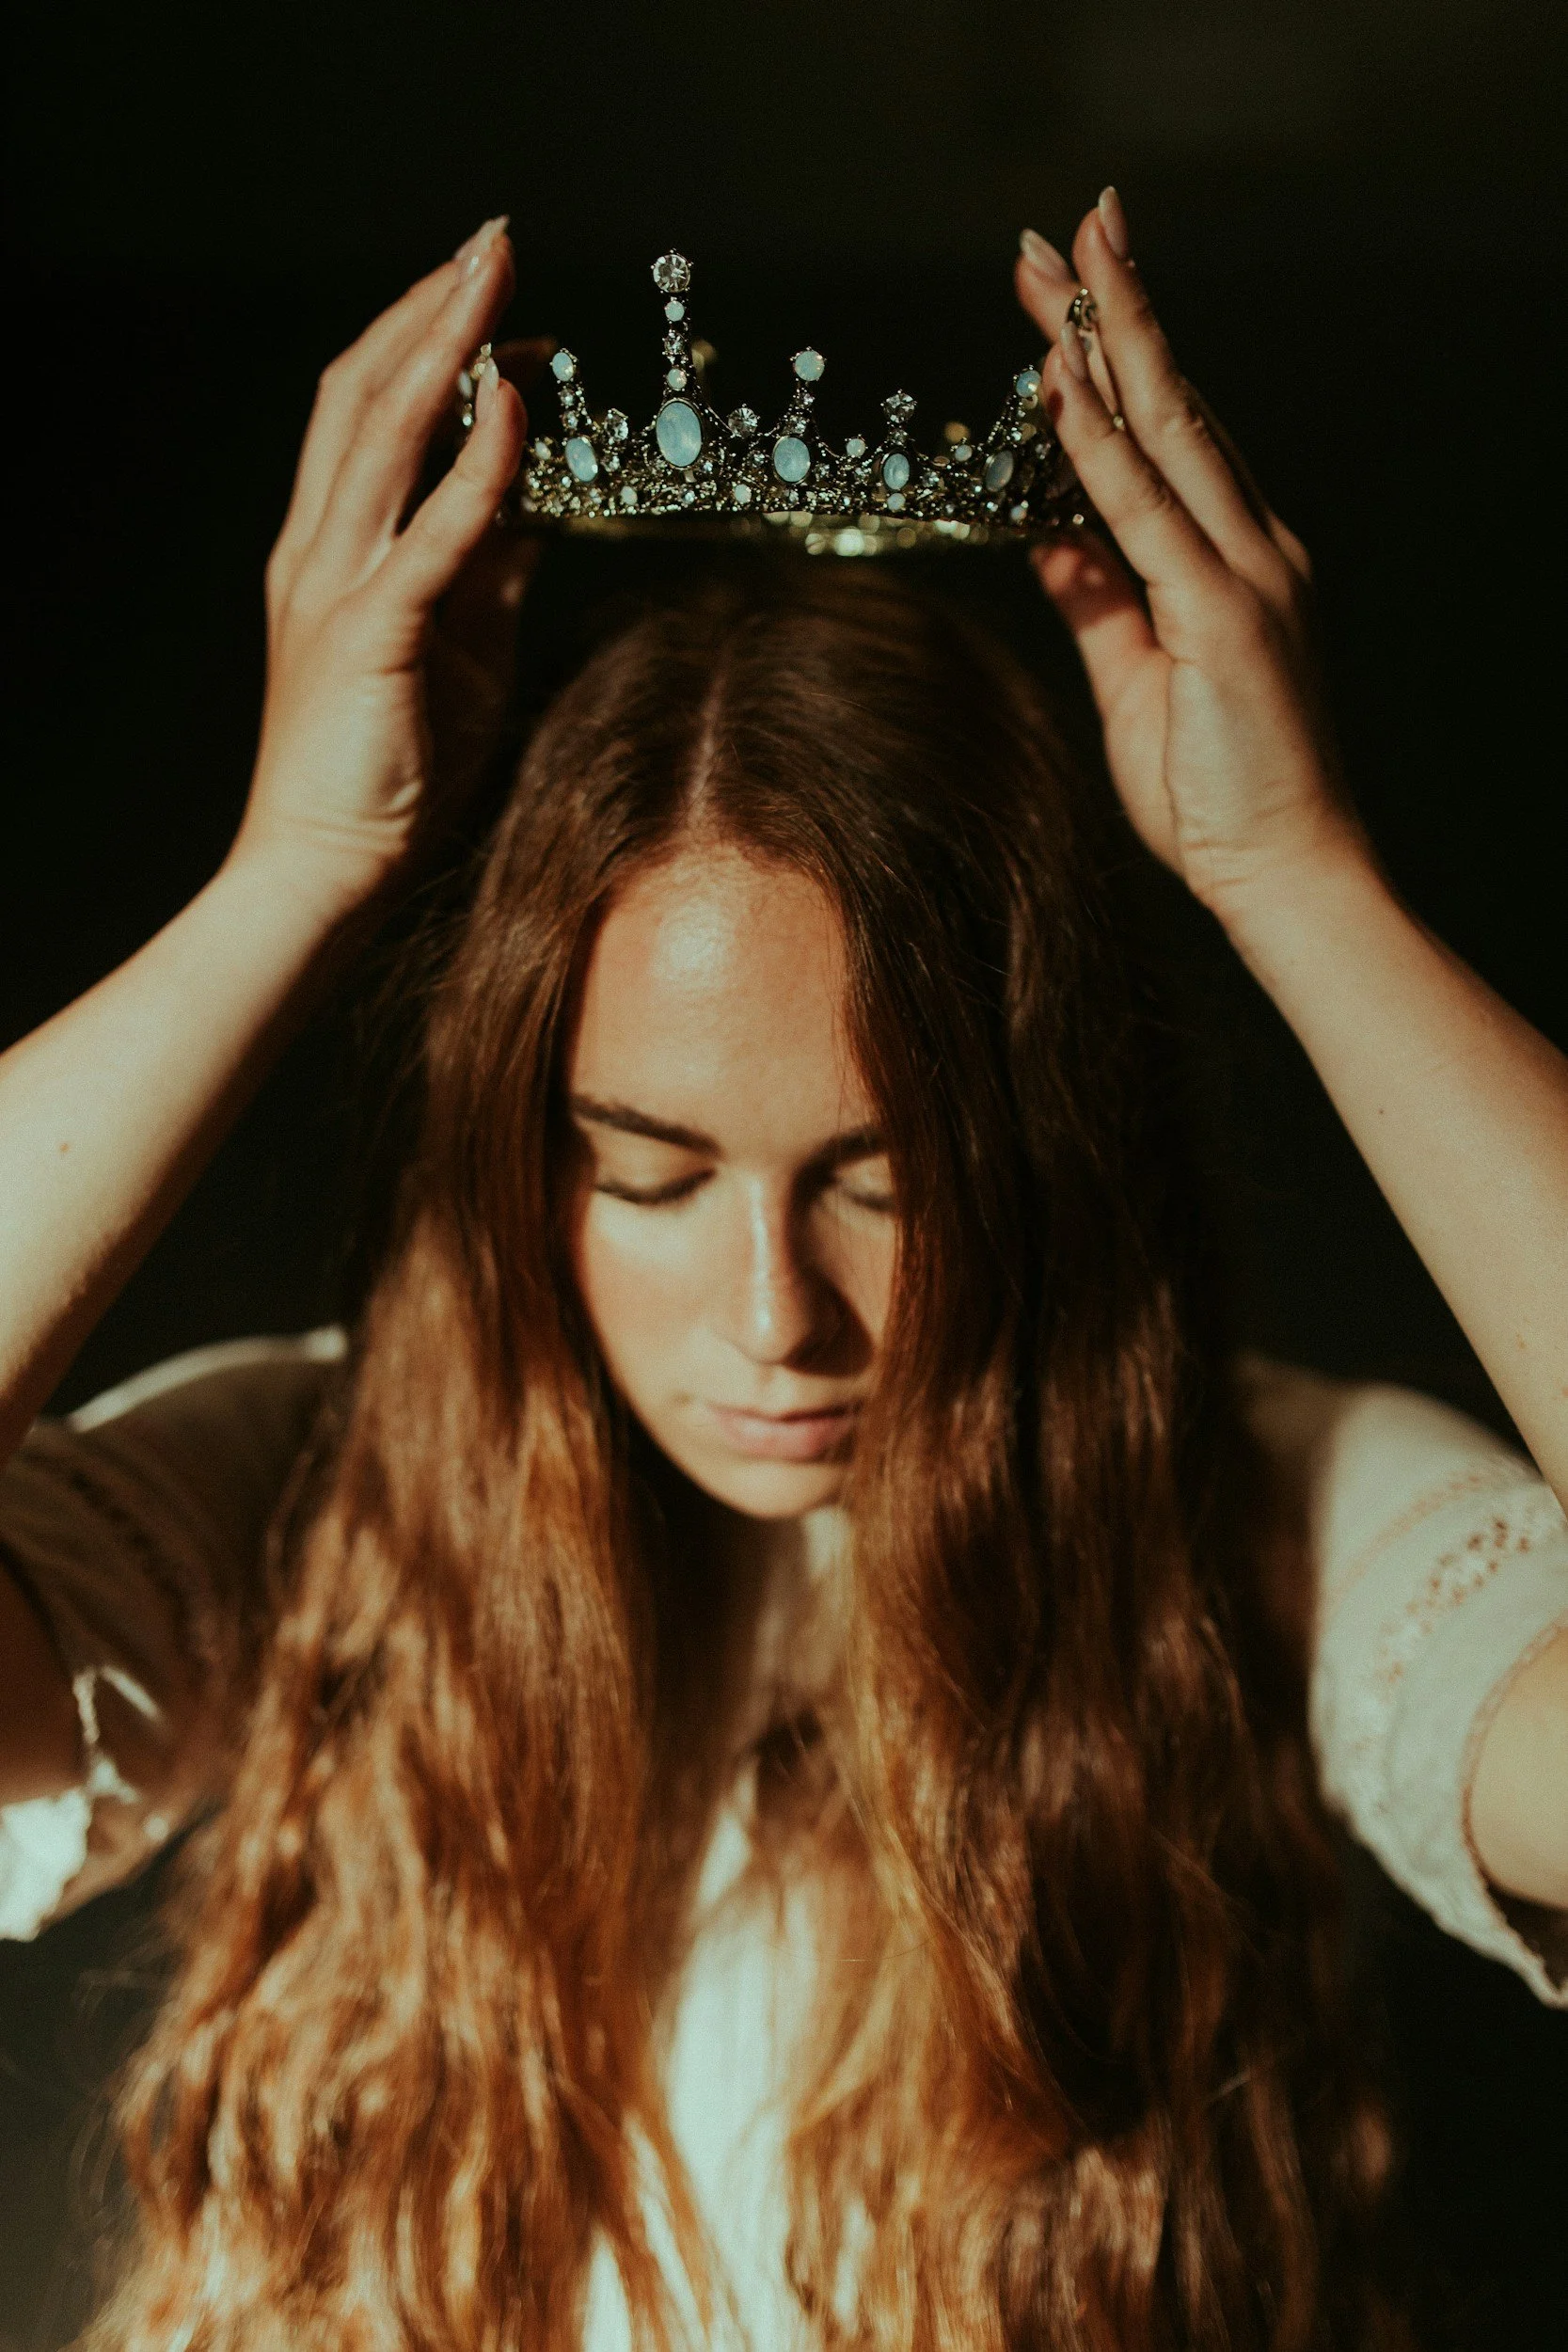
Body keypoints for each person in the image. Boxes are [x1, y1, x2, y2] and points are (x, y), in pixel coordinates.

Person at [0, 191, 1563, 2351]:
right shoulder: (308, 1489)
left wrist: (1300, 883)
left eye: (886, 1177)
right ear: (514, 1156)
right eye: (646, 1173)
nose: (776, 1315)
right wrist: (290, 874)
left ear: (1038, 1152)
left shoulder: (1256, 1519)